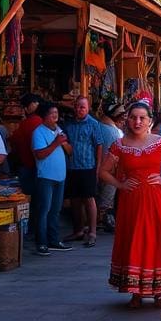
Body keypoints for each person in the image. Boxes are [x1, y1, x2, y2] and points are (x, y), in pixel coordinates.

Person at [99, 102, 161, 308]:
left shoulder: (159, 142)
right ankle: (136, 292)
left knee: (158, 240)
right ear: (127, 120)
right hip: (131, 202)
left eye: (142, 118)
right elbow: (103, 171)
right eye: (133, 117)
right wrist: (120, 184)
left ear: (150, 121)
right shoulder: (119, 145)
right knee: (135, 241)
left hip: (157, 200)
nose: (137, 122)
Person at [31, 103, 73, 256]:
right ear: (44, 116)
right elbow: (40, 154)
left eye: (56, 112)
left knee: (55, 210)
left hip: (60, 176)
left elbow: (69, 151)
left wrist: (64, 142)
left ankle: (54, 240)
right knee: (44, 210)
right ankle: (41, 243)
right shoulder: (38, 132)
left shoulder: (59, 130)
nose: (55, 116)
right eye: (51, 113)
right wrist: (56, 143)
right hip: (46, 176)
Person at [63, 96, 102, 246]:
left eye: (82, 107)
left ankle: (92, 232)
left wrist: (98, 168)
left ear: (88, 108)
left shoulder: (93, 124)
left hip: (88, 166)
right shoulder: (69, 125)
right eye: (77, 107)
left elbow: (99, 145)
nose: (79, 110)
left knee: (89, 199)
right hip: (72, 167)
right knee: (74, 200)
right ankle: (78, 230)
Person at [9, 94, 42, 236]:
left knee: (29, 199)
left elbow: (14, 141)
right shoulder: (41, 122)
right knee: (40, 201)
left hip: (28, 166)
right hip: (39, 167)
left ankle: (28, 229)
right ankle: (37, 229)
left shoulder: (28, 123)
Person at [97, 101, 126, 233]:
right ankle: (103, 220)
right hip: (110, 170)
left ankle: (98, 220)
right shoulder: (115, 132)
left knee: (100, 195)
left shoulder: (98, 126)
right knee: (107, 197)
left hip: (97, 167)